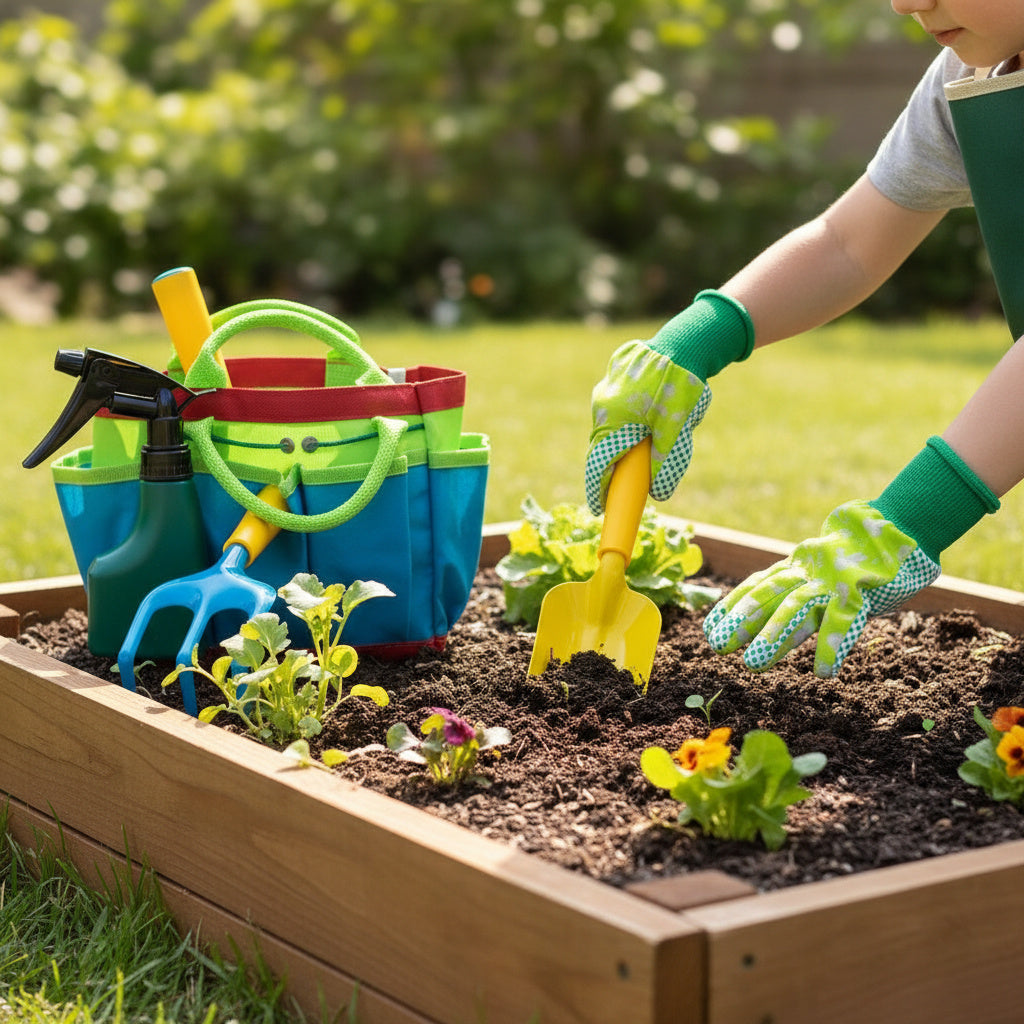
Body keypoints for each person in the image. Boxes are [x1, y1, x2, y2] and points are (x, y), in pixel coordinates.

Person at [586, 0, 1024, 679]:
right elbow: (849, 244)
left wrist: (910, 516)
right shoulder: (970, 75)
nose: (907, 3)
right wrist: (695, 340)